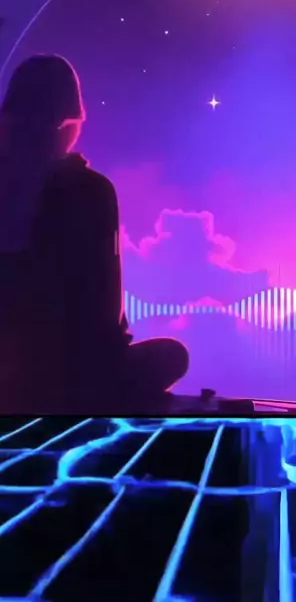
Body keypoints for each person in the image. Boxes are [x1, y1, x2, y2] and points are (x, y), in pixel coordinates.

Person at [0, 54, 189, 413]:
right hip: (71, 375)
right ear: (68, 120)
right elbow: (102, 311)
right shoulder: (90, 191)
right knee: (172, 356)